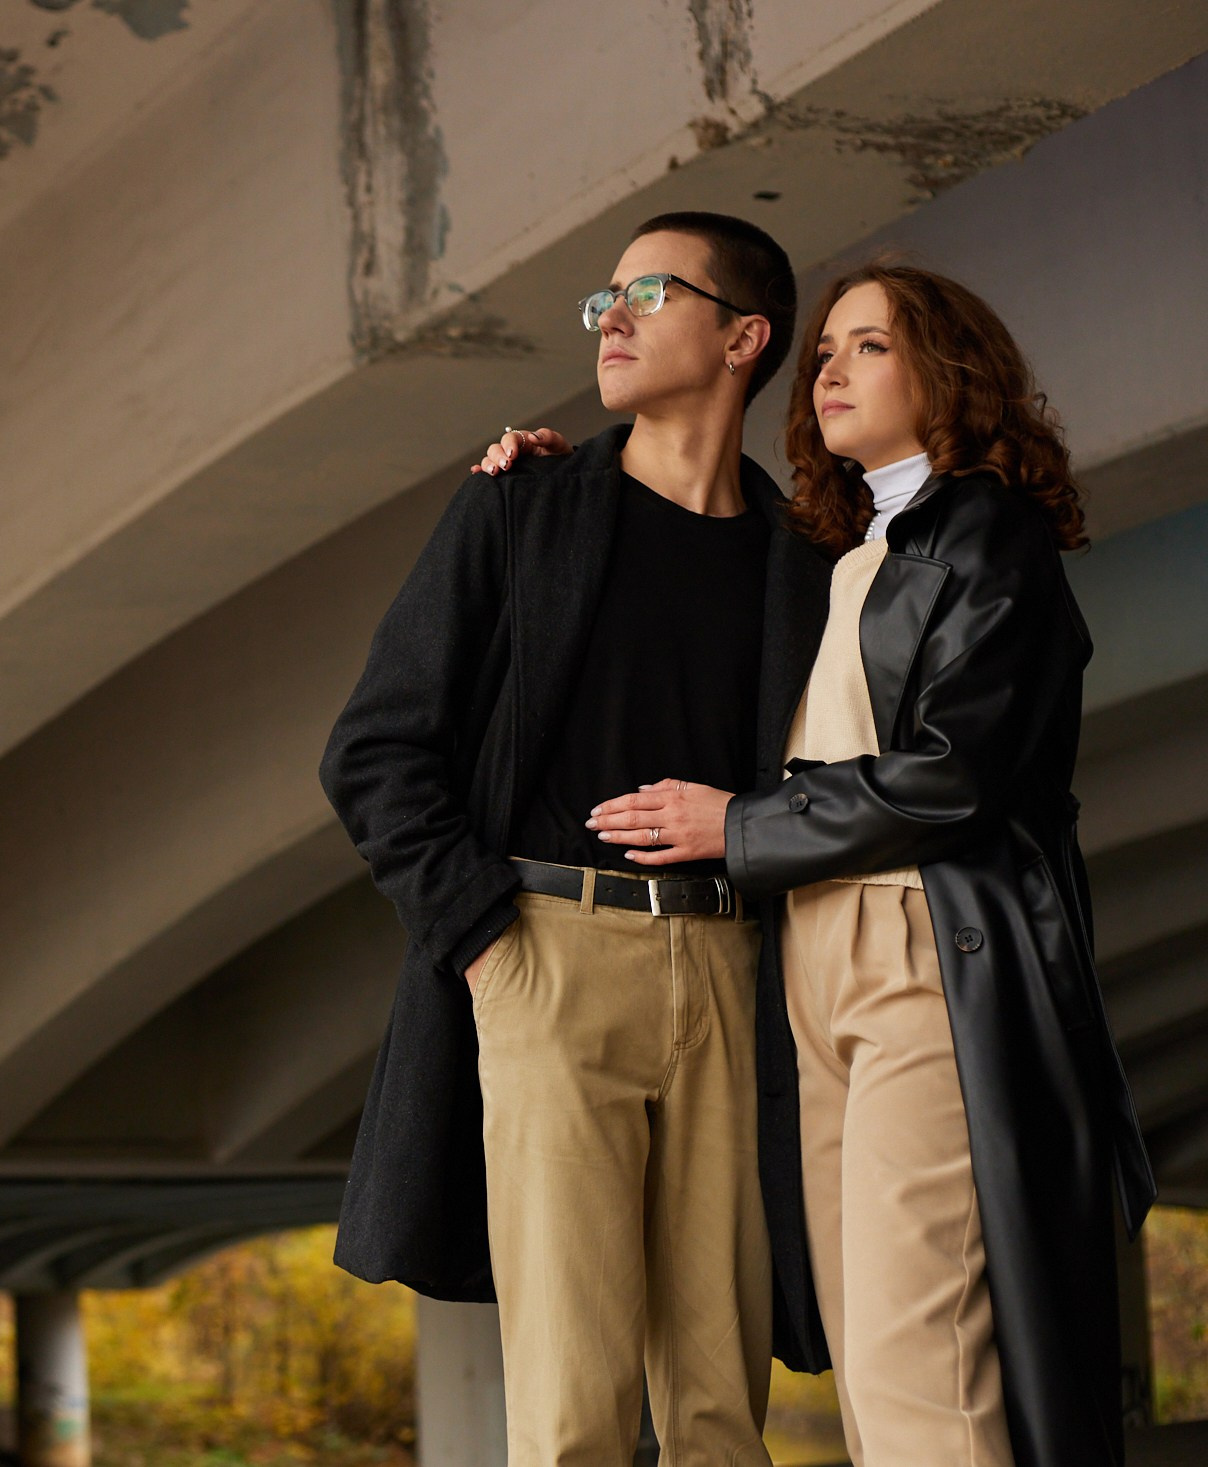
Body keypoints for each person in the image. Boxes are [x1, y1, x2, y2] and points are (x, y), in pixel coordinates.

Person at [485, 262, 1155, 1466]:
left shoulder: (984, 532)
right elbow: (676, 540)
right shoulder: (847, 551)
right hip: (811, 958)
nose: (831, 371)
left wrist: (735, 829)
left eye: (871, 348)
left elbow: (954, 773)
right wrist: (555, 475)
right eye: (826, 353)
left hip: (920, 954)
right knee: (869, 1359)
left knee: (922, 1362)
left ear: (946, 374)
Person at [320, 212, 822, 1466]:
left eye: (651, 291)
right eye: (604, 297)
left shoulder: (801, 564)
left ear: (743, 339)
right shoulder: (519, 510)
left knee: (720, 1406)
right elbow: (374, 751)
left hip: (732, 971)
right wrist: (487, 940)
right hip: (547, 956)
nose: (613, 314)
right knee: (573, 1408)